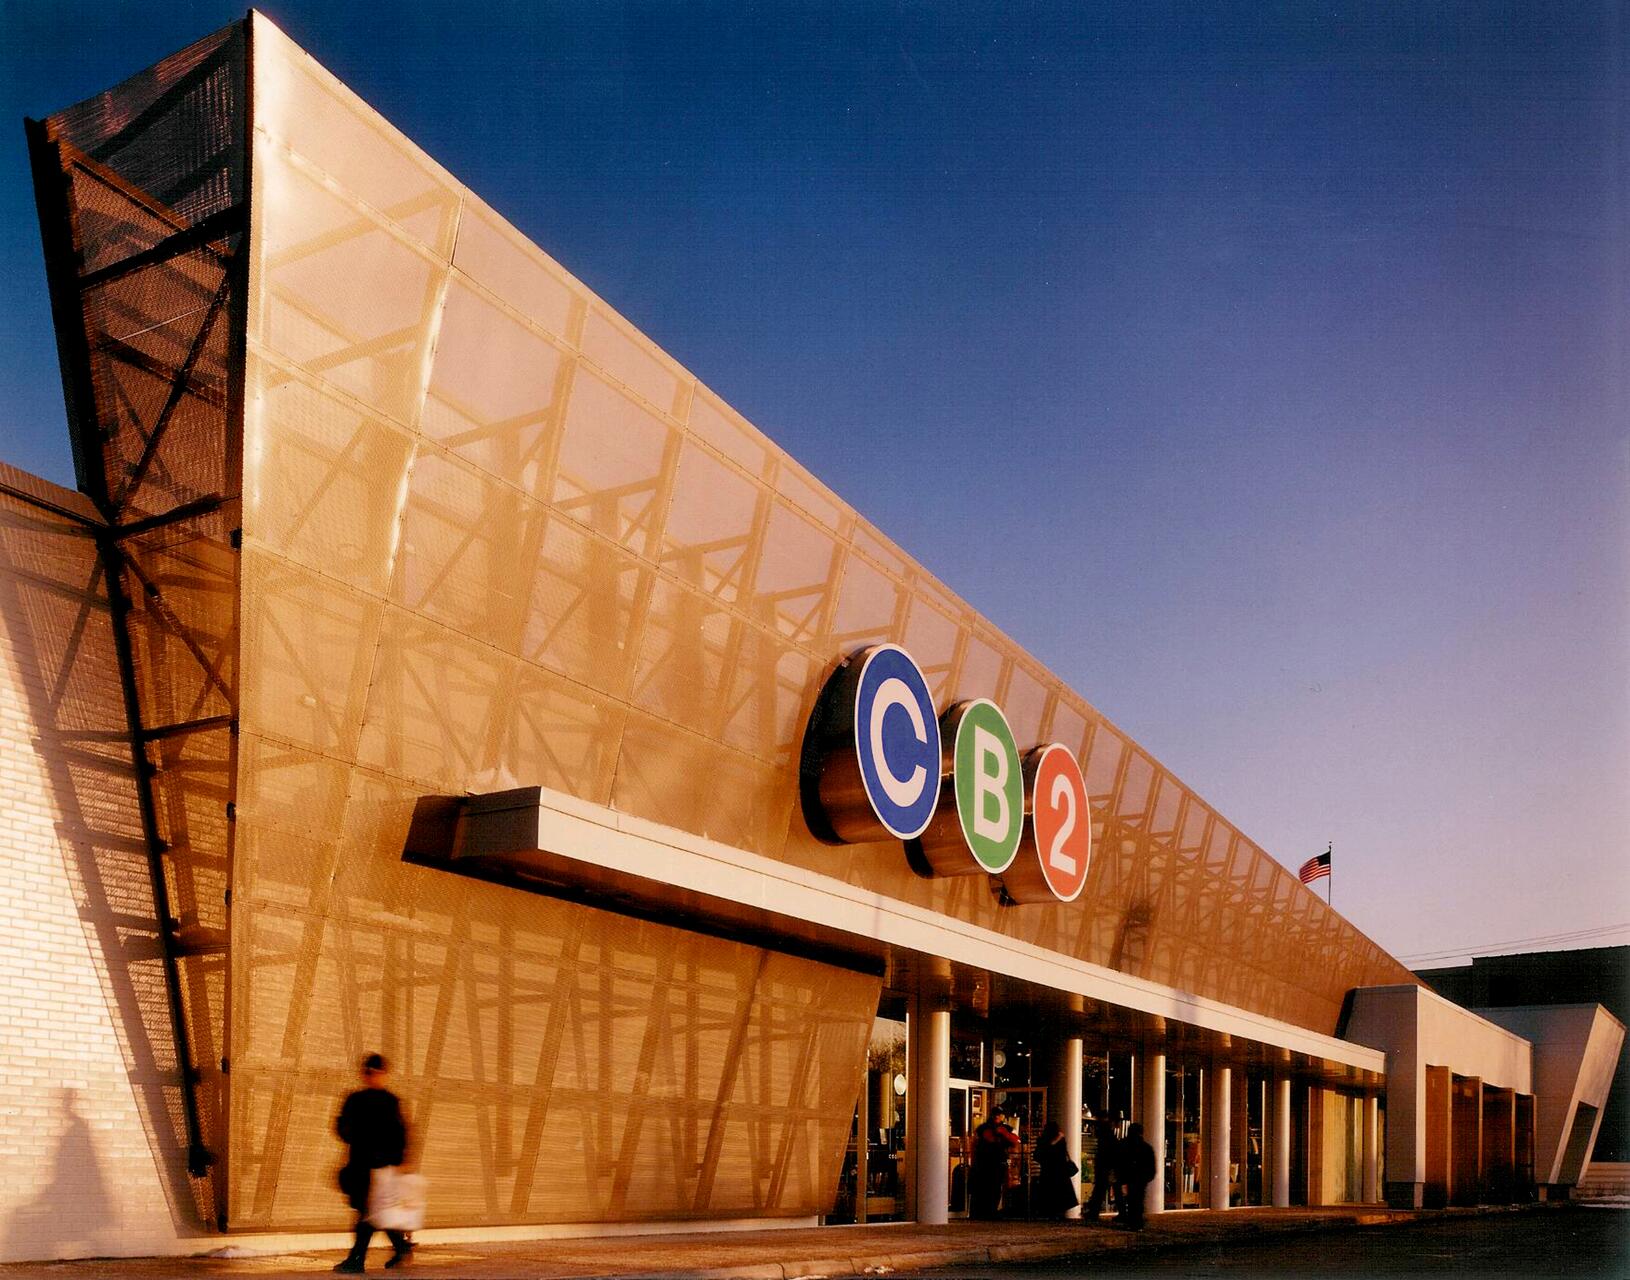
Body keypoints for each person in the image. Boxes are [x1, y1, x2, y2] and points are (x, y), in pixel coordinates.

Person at [334, 1053, 413, 1273]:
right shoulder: (356, 1099)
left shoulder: (389, 1101)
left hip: (381, 1167)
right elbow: (342, 1128)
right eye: (370, 1072)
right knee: (374, 1213)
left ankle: (356, 1260)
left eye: (377, 1072)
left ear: (384, 1075)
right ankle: (401, 1247)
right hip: (362, 1166)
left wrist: (401, 1162)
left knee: (369, 1214)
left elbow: (401, 1134)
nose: (373, 1076)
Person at [969, 1107, 1020, 1219]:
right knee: (985, 1187)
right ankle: (985, 1211)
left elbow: (1015, 1142)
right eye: (995, 1114)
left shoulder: (1007, 1128)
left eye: (999, 1114)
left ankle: (993, 1210)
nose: (997, 1116)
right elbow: (976, 1144)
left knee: (997, 1187)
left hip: (1000, 1162)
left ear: (1003, 1116)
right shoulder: (983, 1129)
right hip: (985, 1163)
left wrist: (1004, 1134)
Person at [1032, 1120, 1078, 1219]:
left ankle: (1050, 1212)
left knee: (1049, 1192)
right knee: (1061, 1193)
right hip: (1059, 1170)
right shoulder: (1060, 1138)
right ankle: (1059, 1213)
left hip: (1048, 1170)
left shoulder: (1042, 1139)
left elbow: (1042, 1152)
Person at [1117, 1121, 1156, 1230]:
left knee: (1131, 1200)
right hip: (1141, 1178)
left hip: (1129, 1177)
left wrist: (1121, 1178)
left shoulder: (1124, 1145)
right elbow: (1151, 1165)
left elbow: (1121, 1163)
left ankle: (1133, 1222)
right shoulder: (1146, 1147)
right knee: (1138, 1199)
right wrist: (1148, 1176)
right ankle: (1137, 1222)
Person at [1082, 1116, 1119, 1222]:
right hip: (1107, 1168)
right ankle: (1094, 1211)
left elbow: (1105, 1154)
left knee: (1099, 1190)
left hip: (1105, 1168)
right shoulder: (1110, 1138)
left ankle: (1093, 1212)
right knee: (1106, 1190)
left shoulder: (1105, 1140)